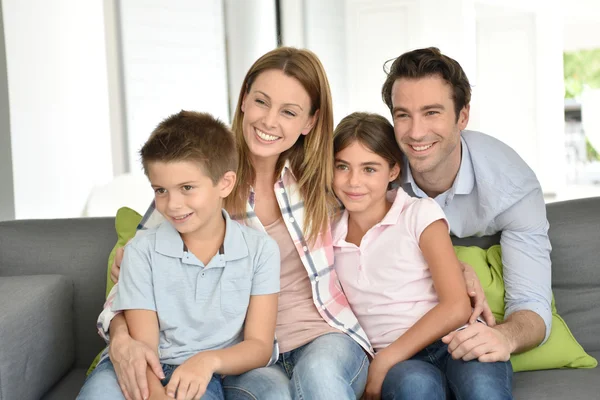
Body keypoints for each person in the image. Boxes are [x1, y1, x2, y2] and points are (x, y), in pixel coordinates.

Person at [98, 47, 489, 400]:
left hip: (326, 333)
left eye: (289, 111)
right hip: (249, 349)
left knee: (319, 377)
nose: (269, 121)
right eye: (261, 103)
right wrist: (119, 337)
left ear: (308, 121)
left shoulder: (323, 182)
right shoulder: (202, 181)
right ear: (244, 101)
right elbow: (134, 274)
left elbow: (391, 215)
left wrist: (457, 268)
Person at [78, 111, 280, 400]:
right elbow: (143, 345)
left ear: (225, 183)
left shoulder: (260, 250)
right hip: (145, 366)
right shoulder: (141, 250)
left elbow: (259, 345)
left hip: (204, 370)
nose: (172, 205)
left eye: (187, 188)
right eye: (161, 190)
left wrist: (208, 361)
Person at [381, 47, 552, 379]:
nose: (415, 133)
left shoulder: (512, 186)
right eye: (403, 115)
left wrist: (505, 335)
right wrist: (450, 264)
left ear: (462, 117)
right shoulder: (372, 172)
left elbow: (532, 304)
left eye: (432, 113)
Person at [331, 112, 513, 400]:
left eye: (369, 169)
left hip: (456, 338)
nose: (354, 181)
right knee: (415, 388)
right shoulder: (326, 235)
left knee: (482, 391)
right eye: (343, 166)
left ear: (393, 171)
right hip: (405, 364)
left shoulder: (419, 213)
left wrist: (385, 360)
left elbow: (456, 306)